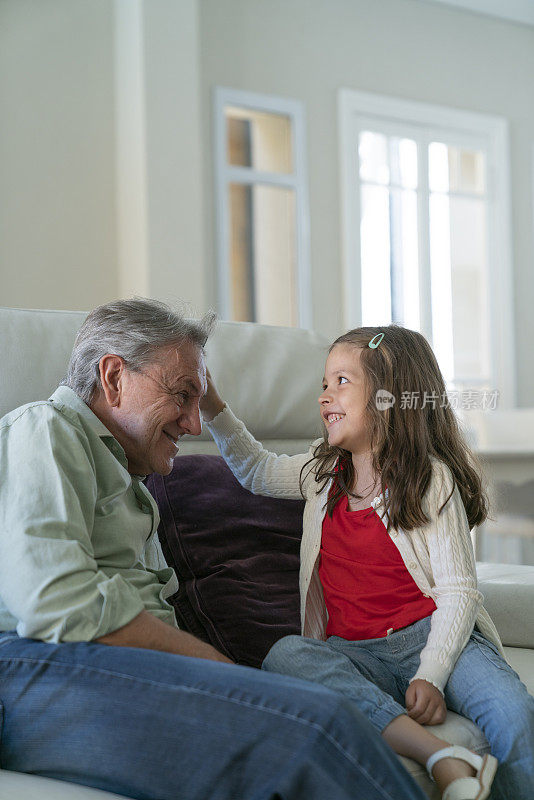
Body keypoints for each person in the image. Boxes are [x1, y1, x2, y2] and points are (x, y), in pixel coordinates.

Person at [0, 299, 426, 800]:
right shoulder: (44, 429)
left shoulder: (131, 480)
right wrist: (219, 673)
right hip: (34, 667)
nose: (193, 423)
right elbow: (53, 599)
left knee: (317, 715)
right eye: (182, 395)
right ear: (113, 377)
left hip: (101, 671)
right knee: (315, 724)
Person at [200, 325, 534, 800]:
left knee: (515, 715)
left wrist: (430, 673)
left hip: (435, 639)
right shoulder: (320, 469)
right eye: (323, 384)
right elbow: (255, 470)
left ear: (388, 398)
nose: (324, 396)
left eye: (341, 381)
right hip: (355, 652)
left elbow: (459, 591)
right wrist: (212, 406)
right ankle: (439, 755)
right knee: (285, 655)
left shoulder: (429, 479)